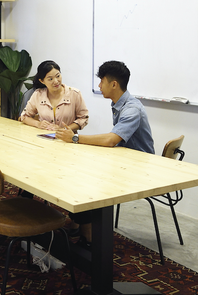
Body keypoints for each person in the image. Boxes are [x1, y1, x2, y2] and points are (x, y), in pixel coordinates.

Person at [56, 60, 155, 247]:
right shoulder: (119, 103)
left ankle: (90, 239)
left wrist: (75, 138)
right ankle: (79, 224)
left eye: (102, 82)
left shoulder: (132, 109)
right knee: (78, 170)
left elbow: (111, 140)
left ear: (114, 84)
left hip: (139, 167)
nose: (99, 86)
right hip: (124, 159)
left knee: (87, 182)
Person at [20, 60, 89, 132]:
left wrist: (64, 129)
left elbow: (83, 118)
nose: (56, 81)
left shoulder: (74, 94)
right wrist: (38, 124)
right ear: (42, 81)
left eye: (58, 76)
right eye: (50, 79)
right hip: (43, 138)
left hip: (67, 139)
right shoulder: (38, 94)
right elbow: (25, 116)